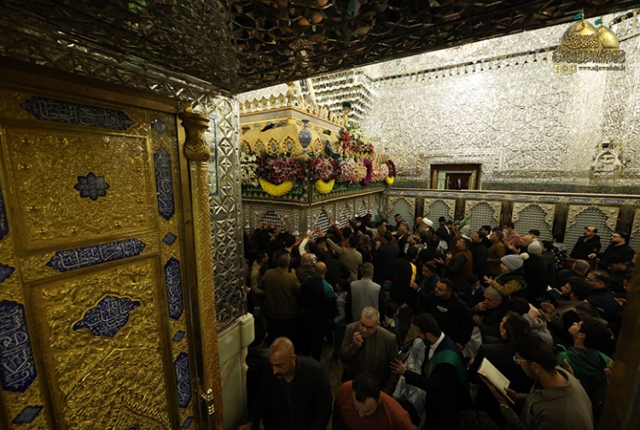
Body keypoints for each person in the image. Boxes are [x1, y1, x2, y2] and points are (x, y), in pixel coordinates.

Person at [483, 336, 594, 430]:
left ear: (535, 367)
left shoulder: (556, 416)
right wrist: (518, 397)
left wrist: (505, 407)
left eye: (519, 360)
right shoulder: (560, 374)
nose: (519, 364)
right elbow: (539, 398)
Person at [390, 313, 471, 430]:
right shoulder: (433, 343)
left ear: (428, 334)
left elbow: (432, 386)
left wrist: (406, 373)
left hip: (444, 408)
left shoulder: (446, 361)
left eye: (419, 333)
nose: (417, 336)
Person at [239, 337, 332, 430]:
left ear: (293, 358)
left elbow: (323, 410)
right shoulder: (268, 369)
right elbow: (261, 397)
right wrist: (250, 421)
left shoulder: (315, 372)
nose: (274, 371)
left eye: (279, 366)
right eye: (272, 365)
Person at [469, 312, 533, 428]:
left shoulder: (488, 350)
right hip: (519, 408)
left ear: (504, 332)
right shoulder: (533, 352)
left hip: (489, 405)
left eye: (502, 322)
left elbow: (473, 377)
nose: (500, 323)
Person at [556, 317, 612, 421]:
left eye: (578, 325)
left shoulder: (564, 358)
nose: (574, 323)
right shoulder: (608, 361)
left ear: (581, 335)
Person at [340, 307, 399, 394]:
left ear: (377, 324)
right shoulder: (350, 329)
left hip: (377, 388)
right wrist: (354, 346)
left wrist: (385, 393)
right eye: (362, 324)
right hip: (354, 385)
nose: (364, 330)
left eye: (369, 327)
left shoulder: (389, 339)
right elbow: (343, 358)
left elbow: (395, 370)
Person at [333, 372, 413, 430]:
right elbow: (337, 422)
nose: (361, 415)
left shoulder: (398, 418)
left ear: (379, 399)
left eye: (368, 411)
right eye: (356, 408)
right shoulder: (344, 392)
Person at [254, 253, 301, 343]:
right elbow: (299, 291)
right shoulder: (291, 278)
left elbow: (260, 286)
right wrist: (295, 276)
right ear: (288, 264)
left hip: (272, 313)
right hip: (288, 315)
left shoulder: (268, 274)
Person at [421, 278, 474, 350]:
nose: (436, 290)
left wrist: (462, 342)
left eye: (440, 289)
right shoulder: (431, 297)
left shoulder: (460, 306)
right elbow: (425, 314)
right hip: (431, 335)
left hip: (449, 340)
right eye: (436, 287)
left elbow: (469, 325)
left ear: (449, 292)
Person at [298, 261, 336, 361]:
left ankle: (305, 359)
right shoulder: (328, 287)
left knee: (306, 340)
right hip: (320, 320)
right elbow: (331, 307)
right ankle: (315, 361)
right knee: (317, 343)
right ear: (326, 270)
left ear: (314, 270)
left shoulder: (306, 280)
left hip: (306, 316)